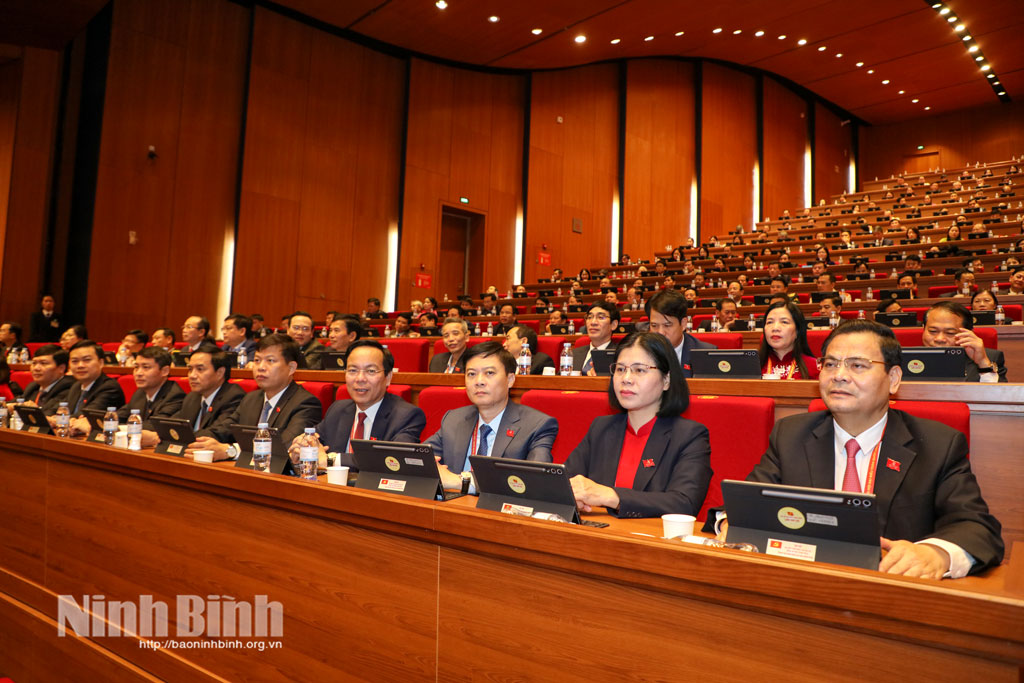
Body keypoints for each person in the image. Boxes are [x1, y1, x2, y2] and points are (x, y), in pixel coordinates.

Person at [721, 319, 1003, 578]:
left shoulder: (937, 444)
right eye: (830, 364)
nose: (839, 376)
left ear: (893, 378)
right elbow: (743, 505)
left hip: (891, 592)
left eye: (857, 365)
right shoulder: (791, 435)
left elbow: (977, 528)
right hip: (806, 583)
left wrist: (937, 554)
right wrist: (728, 524)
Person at [564, 332, 712, 518]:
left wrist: (612, 496)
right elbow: (565, 482)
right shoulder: (601, 428)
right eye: (620, 369)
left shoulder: (689, 436)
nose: (626, 378)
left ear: (666, 380)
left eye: (639, 370)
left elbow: (684, 503)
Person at [425, 341, 557, 494]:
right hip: (453, 504)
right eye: (471, 374)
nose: (479, 381)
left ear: (510, 380)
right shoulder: (454, 419)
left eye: (489, 373)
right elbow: (417, 457)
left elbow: (535, 480)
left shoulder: (537, 425)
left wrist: (461, 482)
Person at [288, 340, 425, 470]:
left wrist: (330, 460)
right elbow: (314, 441)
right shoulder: (338, 409)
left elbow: (393, 459)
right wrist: (301, 448)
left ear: (388, 378)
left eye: (371, 371)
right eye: (353, 370)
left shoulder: (406, 416)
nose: (360, 379)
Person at [190, 335, 322, 460]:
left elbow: (284, 447)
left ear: (291, 368)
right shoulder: (251, 398)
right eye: (257, 360)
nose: (261, 367)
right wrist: (193, 440)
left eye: (270, 361)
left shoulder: (305, 403)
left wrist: (231, 451)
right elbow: (223, 429)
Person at [139, 349, 245, 449]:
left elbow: (216, 433)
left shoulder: (234, 396)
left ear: (220, 372)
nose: (192, 375)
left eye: (200, 369)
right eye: (190, 369)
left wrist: (157, 438)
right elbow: (171, 424)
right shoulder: (193, 397)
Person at [922, 302, 1007, 382]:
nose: (939, 339)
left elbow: (998, 392)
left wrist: (983, 363)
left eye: (950, 333)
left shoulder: (990, 358)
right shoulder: (914, 355)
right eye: (933, 331)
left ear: (968, 334)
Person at [54, 341, 125, 429]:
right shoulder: (76, 385)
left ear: (101, 363)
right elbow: (61, 411)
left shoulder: (109, 387)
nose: (80, 365)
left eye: (87, 360)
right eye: (75, 361)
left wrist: (57, 419)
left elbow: (86, 416)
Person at [644, 290, 714, 377]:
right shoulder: (641, 352)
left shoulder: (705, 354)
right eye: (654, 325)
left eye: (667, 325)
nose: (660, 332)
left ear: (684, 324)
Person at [112, 347, 185, 428]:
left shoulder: (175, 396)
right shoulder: (140, 393)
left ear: (165, 371)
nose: (138, 373)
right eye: (136, 367)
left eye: (146, 367)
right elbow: (119, 416)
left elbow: (156, 426)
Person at [759, 301, 819, 379]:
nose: (775, 328)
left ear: (797, 330)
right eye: (769, 322)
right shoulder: (752, 366)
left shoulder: (815, 367)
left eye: (784, 322)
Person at [19, 345, 74, 415]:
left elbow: (51, 412)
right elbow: (18, 401)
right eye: (34, 363)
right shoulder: (33, 386)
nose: (36, 368)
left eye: (43, 363)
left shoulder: (68, 388)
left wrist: (32, 410)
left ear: (61, 368)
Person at [572, 301, 620, 374]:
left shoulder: (620, 355)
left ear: (613, 325)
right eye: (590, 317)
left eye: (600, 317)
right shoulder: (573, 353)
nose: (593, 322)